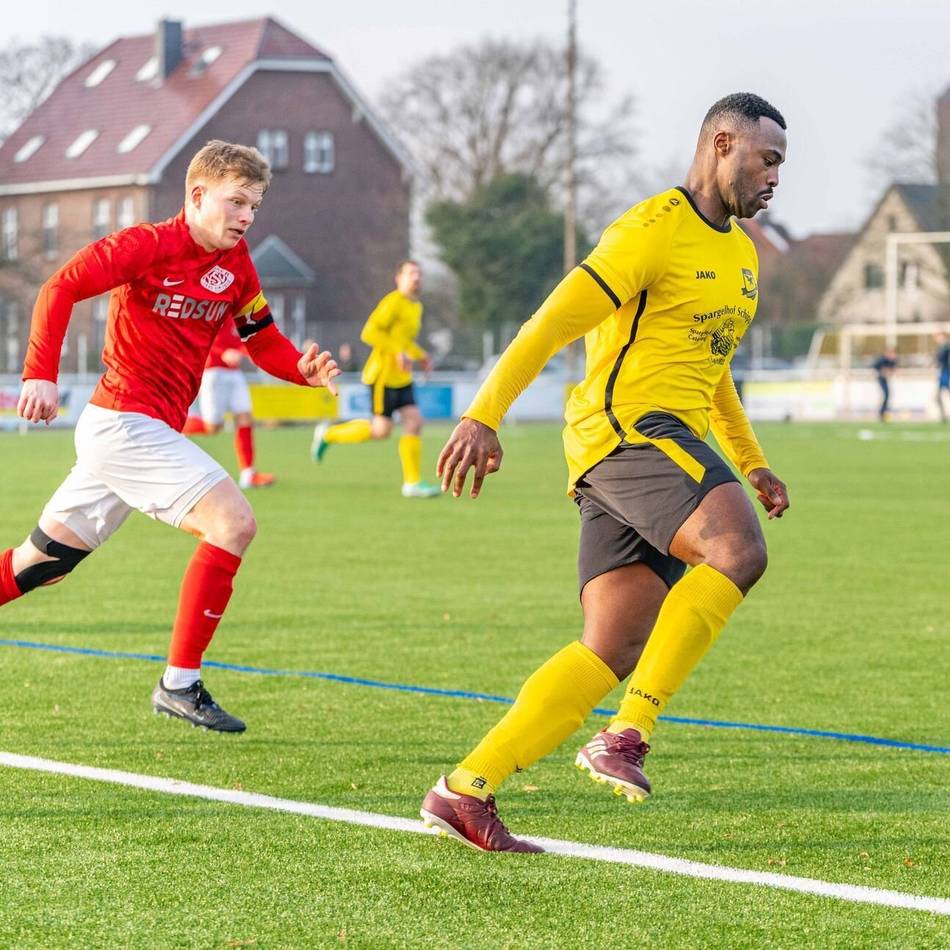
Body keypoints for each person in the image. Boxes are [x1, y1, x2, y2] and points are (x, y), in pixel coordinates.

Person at [420, 93, 790, 852]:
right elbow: (550, 322)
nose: (776, 178)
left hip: (654, 448)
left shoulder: (744, 255)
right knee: (738, 550)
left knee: (613, 646)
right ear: (722, 144)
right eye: (768, 159)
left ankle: (465, 788)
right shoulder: (649, 231)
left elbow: (713, 370)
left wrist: (752, 462)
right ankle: (628, 733)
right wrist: (482, 415)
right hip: (630, 433)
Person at [2, 140, 339, 733]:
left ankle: (178, 682)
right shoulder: (146, 245)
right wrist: (40, 374)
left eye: (254, 207)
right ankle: (179, 683)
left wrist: (300, 370)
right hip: (122, 424)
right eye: (237, 202)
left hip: (142, 432)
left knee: (41, 565)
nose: (247, 217)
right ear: (198, 195)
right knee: (232, 522)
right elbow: (59, 287)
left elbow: (261, 338)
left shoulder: (237, 264)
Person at [310, 261, 440, 498]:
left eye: (418, 273)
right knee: (381, 431)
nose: (416, 277)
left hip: (402, 377)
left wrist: (421, 356)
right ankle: (328, 434)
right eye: (410, 273)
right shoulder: (393, 302)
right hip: (382, 377)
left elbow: (403, 342)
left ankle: (412, 483)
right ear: (398, 278)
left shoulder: (416, 306)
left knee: (414, 421)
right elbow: (369, 332)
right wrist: (397, 352)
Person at [182, 319, 275, 489]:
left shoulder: (238, 312)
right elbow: (199, 337)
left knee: (245, 417)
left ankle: (248, 474)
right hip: (214, 371)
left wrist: (251, 352)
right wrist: (221, 352)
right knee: (213, 427)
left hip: (234, 373)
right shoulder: (213, 309)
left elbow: (245, 339)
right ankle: (175, 426)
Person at [872, 348, 897, 422]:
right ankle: (882, 413)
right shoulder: (882, 360)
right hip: (881, 379)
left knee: (887, 395)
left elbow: (893, 369)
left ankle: (884, 412)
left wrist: (889, 371)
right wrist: (882, 371)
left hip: (885, 379)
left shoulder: (892, 361)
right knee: (886, 394)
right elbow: (876, 367)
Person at [935, 332, 950, 422]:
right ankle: (943, 415)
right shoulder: (940, 348)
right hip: (942, 373)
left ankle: (943, 416)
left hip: (946, 373)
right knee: (937, 396)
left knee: (940, 395)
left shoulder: (946, 348)